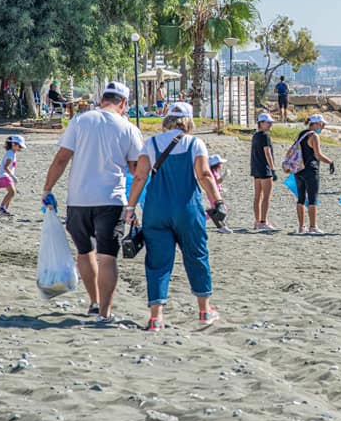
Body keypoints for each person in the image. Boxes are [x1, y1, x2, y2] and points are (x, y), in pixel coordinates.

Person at [41, 81, 143, 323]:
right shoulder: (127, 128)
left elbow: (61, 159)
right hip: (111, 199)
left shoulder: (80, 120)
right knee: (107, 255)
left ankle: (94, 303)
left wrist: (47, 189)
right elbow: (135, 169)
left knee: (85, 252)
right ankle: (105, 313)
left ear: (102, 99)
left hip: (78, 198)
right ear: (124, 103)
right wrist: (134, 203)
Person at [126, 102, 224, 331]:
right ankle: (204, 310)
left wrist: (130, 208)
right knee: (196, 256)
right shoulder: (195, 143)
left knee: (158, 262)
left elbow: (140, 177)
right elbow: (204, 175)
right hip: (187, 209)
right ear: (189, 120)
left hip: (156, 209)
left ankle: (156, 317)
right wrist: (217, 201)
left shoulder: (150, 144)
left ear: (166, 119)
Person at [293, 114, 335, 235]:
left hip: (298, 169)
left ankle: (301, 226)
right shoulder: (314, 136)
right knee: (312, 198)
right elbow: (318, 155)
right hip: (311, 169)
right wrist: (330, 161)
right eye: (321, 124)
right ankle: (312, 226)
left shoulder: (301, 134)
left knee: (300, 198)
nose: (322, 127)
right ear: (315, 124)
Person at [251, 113, 278, 231]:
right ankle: (263, 221)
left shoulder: (255, 135)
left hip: (256, 169)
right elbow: (267, 153)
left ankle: (257, 221)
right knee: (266, 197)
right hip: (265, 169)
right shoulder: (265, 136)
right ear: (261, 123)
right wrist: (273, 169)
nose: (270, 124)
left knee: (257, 197)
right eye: (268, 122)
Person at [0, 135, 27, 216]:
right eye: (19, 146)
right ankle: (1, 208)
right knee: (12, 192)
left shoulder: (12, 153)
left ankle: (4, 209)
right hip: (4, 175)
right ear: (13, 144)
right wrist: (13, 177)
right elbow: (6, 167)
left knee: (11, 193)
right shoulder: (10, 154)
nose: (20, 148)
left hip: (7, 175)